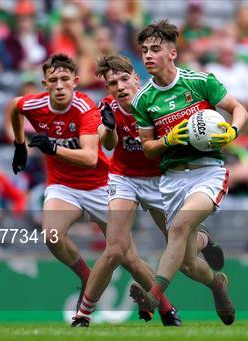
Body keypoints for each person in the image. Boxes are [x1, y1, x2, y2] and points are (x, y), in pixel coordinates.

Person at [70, 54, 226, 327]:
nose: (119, 87)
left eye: (123, 79)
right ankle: (82, 316)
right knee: (115, 249)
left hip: (159, 180)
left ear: (136, 78)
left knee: (188, 263)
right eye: (112, 83)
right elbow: (108, 144)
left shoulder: (154, 102)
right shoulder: (108, 105)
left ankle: (206, 254)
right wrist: (107, 127)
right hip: (124, 178)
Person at [9, 53, 156, 315]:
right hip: (63, 186)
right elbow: (15, 106)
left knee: (128, 258)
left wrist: (53, 148)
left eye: (65, 79)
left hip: (101, 184)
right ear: (44, 84)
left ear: (75, 81)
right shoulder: (36, 104)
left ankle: (167, 308)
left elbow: (90, 158)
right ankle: (87, 277)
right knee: (51, 234)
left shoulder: (85, 107)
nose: (59, 84)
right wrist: (19, 145)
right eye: (52, 80)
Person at [130, 20, 248, 326]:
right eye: (144, 50)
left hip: (208, 171)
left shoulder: (199, 82)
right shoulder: (143, 100)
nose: (147, 55)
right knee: (185, 263)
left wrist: (232, 132)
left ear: (172, 52)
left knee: (180, 228)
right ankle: (217, 284)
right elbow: (147, 148)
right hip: (172, 180)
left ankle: (153, 296)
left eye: (155, 49)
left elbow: (240, 109)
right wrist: (168, 139)